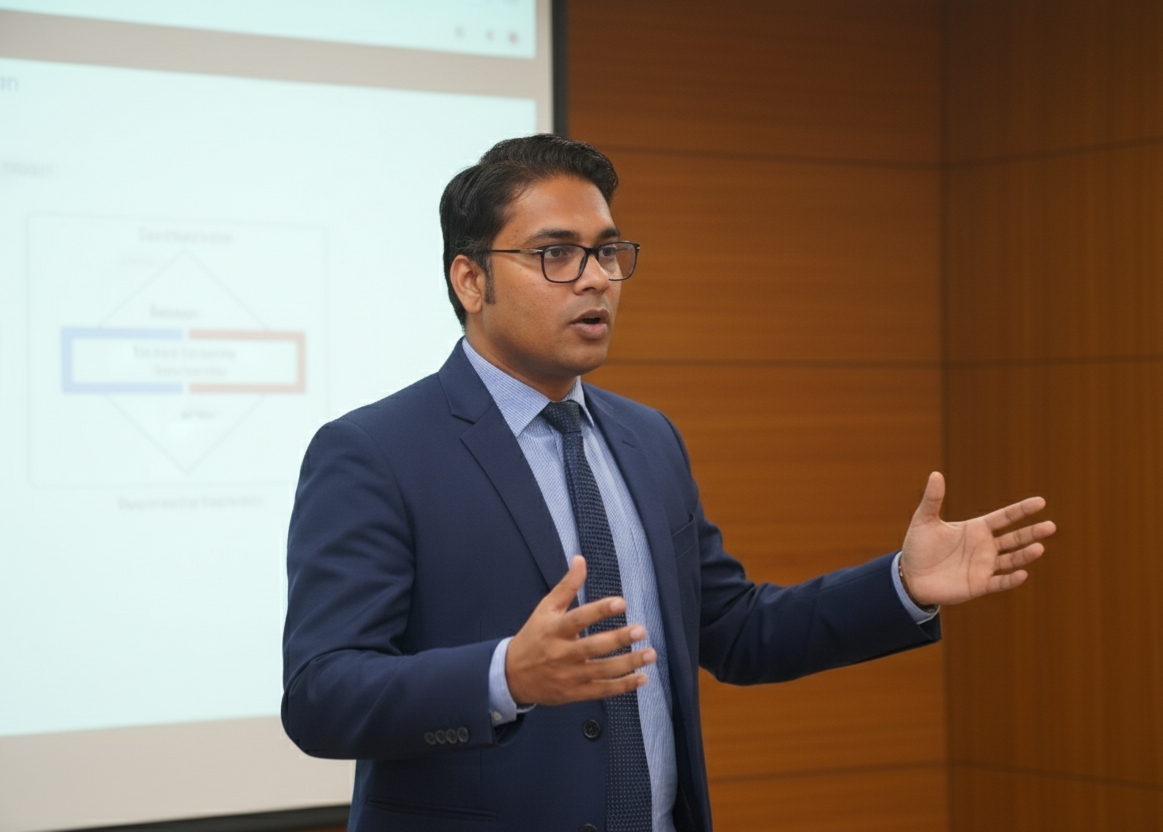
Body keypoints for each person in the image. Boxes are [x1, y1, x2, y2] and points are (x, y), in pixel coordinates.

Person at [281, 134, 1054, 832]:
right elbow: (321, 696)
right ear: (470, 280)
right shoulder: (375, 451)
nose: (595, 279)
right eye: (556, 254)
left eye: (607, 251)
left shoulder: (646, 437)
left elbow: (734, 630)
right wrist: (504, 676)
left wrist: (900, 586)